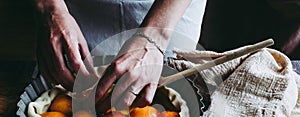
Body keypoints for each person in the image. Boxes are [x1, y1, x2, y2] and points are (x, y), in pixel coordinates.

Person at [32, 0, 207, 110]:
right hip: (74, 11)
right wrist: (50, 7)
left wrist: (155, 36)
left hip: (170, 12)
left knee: (164, 99)